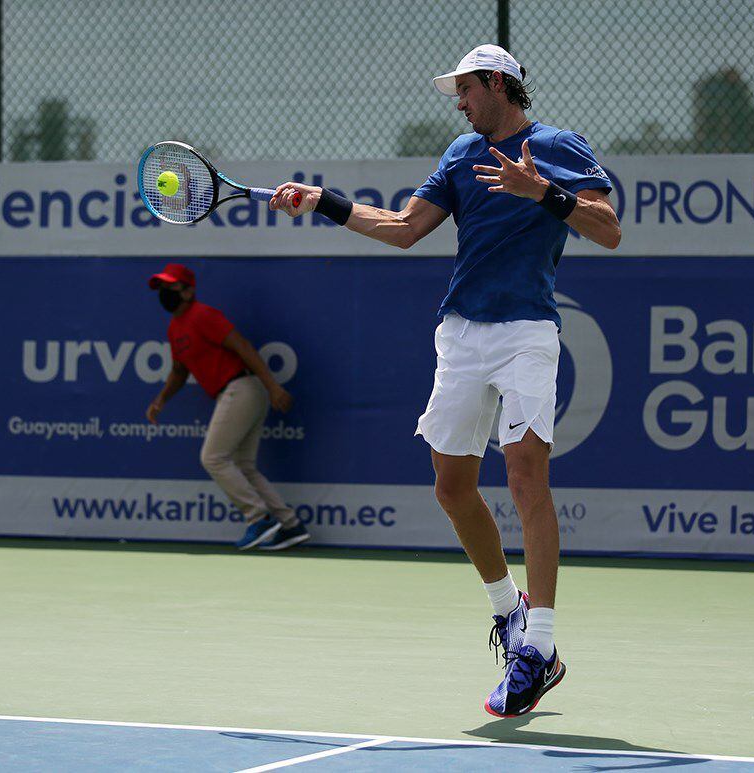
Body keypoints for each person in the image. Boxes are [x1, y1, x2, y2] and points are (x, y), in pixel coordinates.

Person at [269, 44, 620, 716]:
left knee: (525, 478)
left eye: (464, 89)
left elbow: (607, 229)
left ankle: (538, 648)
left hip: (527, 332)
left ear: (496, 83)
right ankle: (508, 612)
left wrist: (540, 190)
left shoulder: (556, 146)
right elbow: (404, 228)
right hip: (461, 332)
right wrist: (322, 200)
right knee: (451, 486)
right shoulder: (461, 155)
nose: (458, 103)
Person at [145, 262, 310, 552]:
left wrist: (273, 386)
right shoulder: (175, 328)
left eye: (169, 286)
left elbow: (243, 346)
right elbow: (179, 371)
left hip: (242, 388)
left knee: (213, 458)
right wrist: (161, 399)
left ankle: (258, 517)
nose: (163, 292)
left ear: (187, 291)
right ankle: (289, 525)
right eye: (160, 287)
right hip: (235, 393)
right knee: (243, 465)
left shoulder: (203, 315)